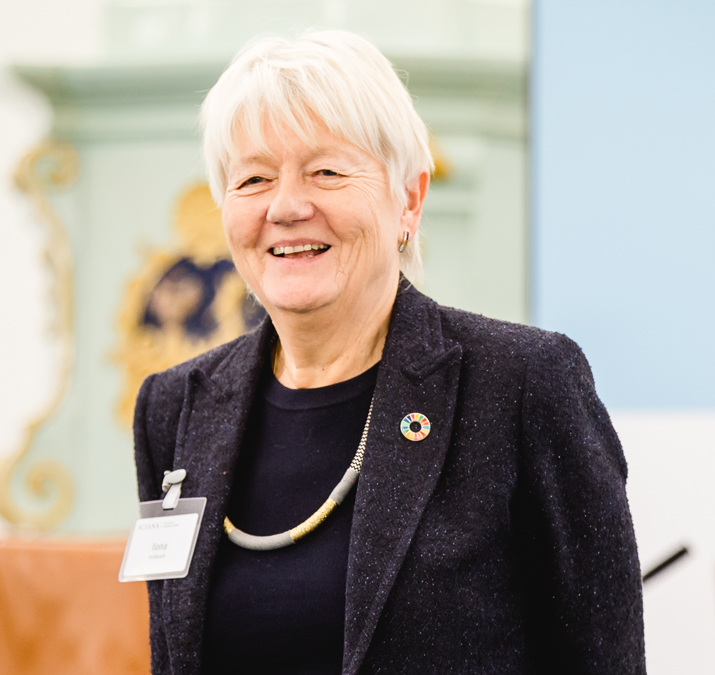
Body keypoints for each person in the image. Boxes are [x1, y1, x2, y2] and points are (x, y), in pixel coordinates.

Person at [132, 30, 644, 674]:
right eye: (254, 178)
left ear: (409, 200)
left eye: (326, 172)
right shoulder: (175, 407)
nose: (286, 206)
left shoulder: (523, 385)